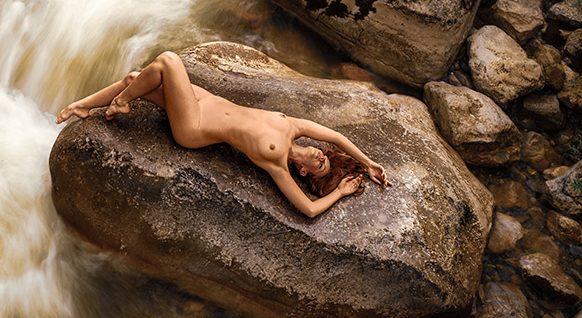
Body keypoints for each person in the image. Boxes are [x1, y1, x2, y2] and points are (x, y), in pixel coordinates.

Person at [56, 51, 391, 217]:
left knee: (168, 62)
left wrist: (340, 194)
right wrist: (369, 162)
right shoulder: (294, 128)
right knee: (136, 77)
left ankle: (122, 103)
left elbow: (308, 209)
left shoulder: (276, 160)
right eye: (324, 158)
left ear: (302, 171)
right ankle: (86, 106)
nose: (320, 157)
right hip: (205, 101)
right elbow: (335, 136)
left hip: (195, 127)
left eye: (319, 166)